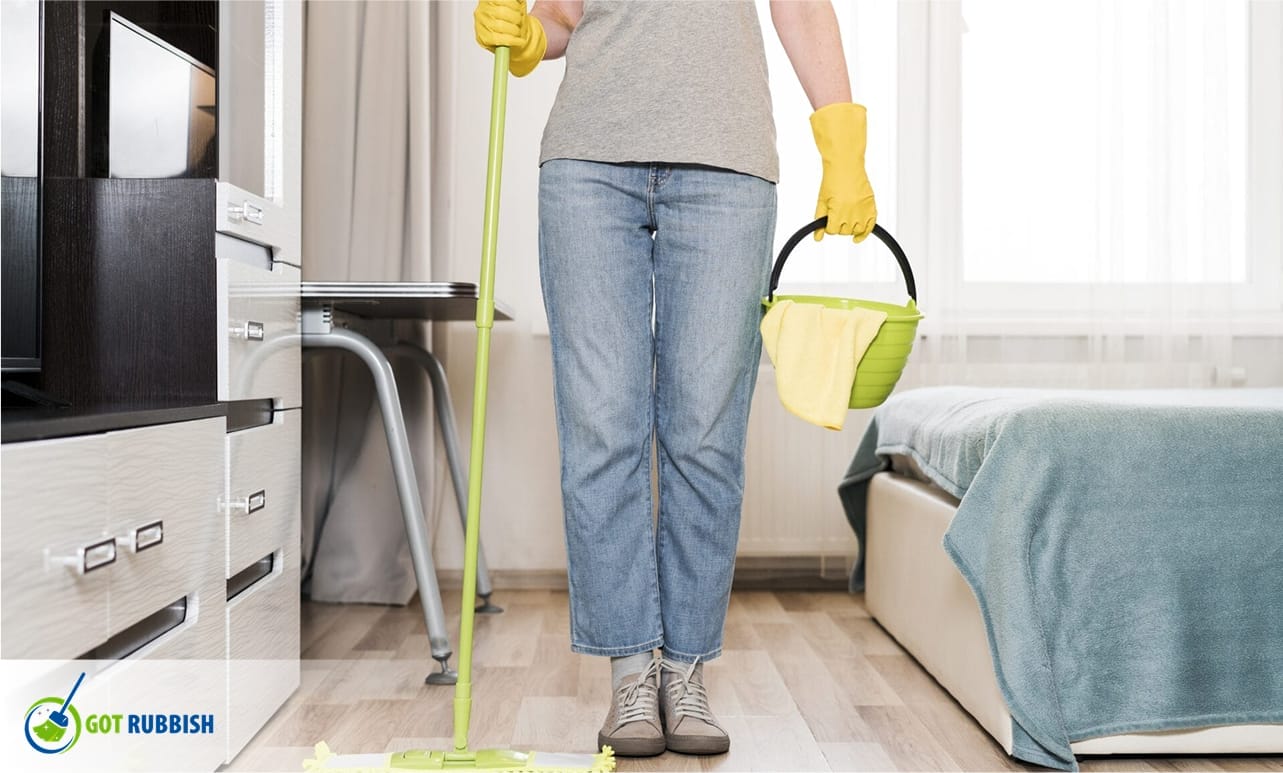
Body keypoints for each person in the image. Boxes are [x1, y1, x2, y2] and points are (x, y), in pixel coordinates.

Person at [473, 0, 877, 758]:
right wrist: (532, 34)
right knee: (600, 424)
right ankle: (631, 670)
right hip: (588, 162)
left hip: (727, 164)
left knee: (704, 431)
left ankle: (684, 668)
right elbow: (565, 15)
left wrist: (841, 137)